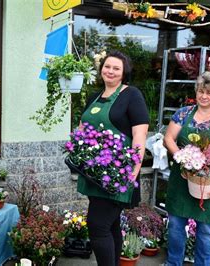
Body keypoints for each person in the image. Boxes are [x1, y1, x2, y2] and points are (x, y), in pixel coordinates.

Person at [78, 50, 149, 266]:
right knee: (110, 225)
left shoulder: (132, 95)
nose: (110, 71)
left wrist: (133, 172)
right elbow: (83, 128)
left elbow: (139, 135)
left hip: (119, 173)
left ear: (123, 72)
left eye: (116, 68)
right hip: (94, 173)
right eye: (107, 66)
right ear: (101, 70)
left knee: (97, 225)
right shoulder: (94, 96)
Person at [163, 71, 210, 265]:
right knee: (175, 225)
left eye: (209, 92)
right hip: (181, 179)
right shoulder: (183, 113)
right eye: (200, 91)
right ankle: (174, 263)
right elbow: (169, 138)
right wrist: (181, 156)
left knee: (206, 230)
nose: (203, 96)